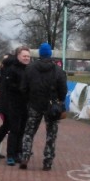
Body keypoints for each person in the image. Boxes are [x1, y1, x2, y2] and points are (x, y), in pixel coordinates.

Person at [18, 43, 68, 171]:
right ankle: (48, 161)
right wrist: (59, 100)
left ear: (40, 54)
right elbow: (63, 90)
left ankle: (25, 157)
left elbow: (23, 88)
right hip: (52, 107)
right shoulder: (58, 70)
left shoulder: (30, 68)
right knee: (51, 134)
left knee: (29, 132)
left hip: (34, 105)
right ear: (50, 54)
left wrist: (29, 99)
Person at [0, 46, 30, 163]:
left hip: (17, 102)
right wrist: (23, 89)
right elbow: (9, 85)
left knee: (7, 126)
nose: (26, 58)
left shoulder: (26, 68)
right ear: (18, 56)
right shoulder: (12, 68)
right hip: (10, 103)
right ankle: (12, 153)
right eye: (24, 56)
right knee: (13, 128)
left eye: (28, 56)